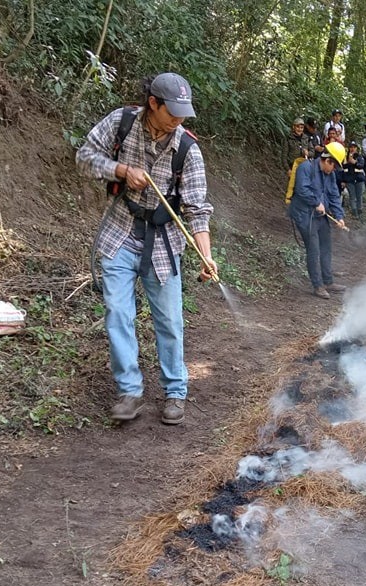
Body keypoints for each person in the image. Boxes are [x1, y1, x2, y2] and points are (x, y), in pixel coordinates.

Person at [76, 72, 218, 425]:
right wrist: (121, 170)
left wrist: (206, 254)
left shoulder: (187, 148)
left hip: (164, 242)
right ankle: (130, 391)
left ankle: (175, 392)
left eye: (184, 113)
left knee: (169, 320)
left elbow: (197, 210)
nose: (178, 120)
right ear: (152, 103)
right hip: (120, 233)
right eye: (172, 112)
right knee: (118, 313)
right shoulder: (121, 122)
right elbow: (84, 157)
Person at [289, 142, 348, 299]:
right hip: (304, 215)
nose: (334, 170)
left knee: (326, 246)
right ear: (328, 161)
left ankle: (328, 281)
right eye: (334, 166)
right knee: (314, 249)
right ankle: (318, 285)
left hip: (319, 216)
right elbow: (302, 189)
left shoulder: (330, 175)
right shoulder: (306, 168)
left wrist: (339, 216)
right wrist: (316, 202)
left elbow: (334, 195)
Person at [284, 117, 309, 204]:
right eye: (298, 127)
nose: (299, 129)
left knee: (302, 188)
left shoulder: (306, 138)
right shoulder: (288, 138)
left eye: (301, 127)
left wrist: (308, 153)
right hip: (292, 167)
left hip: (304, 167)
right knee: (292, 188)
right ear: (293, 127)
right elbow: (284, 156)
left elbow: (312, 151)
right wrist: (288, 169)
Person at [340, 141, 366, 218]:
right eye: (351, 147)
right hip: (349, 180)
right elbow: (342, 168)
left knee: (359, 195)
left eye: (354, 147)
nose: (352, 149)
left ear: (357, 148)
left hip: (359, 179)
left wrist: (355, 163)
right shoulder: (344, 157)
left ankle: (360, 210)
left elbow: (361, 166)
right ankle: (354, 211)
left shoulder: (360, 157)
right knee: (352, 196)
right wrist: (343, 180)